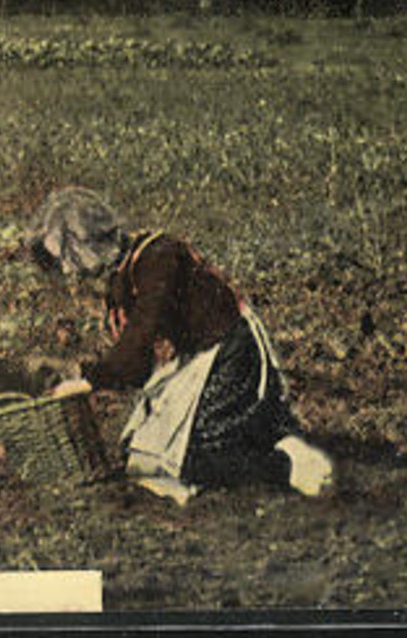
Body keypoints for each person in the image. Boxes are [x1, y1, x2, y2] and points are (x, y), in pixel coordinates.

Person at [24, 186, 333, 500]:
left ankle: (283, 465)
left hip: (228, 349)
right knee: (144, 456)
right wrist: (86, 375)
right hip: (194, 358)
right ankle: (270, 436)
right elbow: (138, 364)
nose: (66, 268)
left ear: (86, 241)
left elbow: (143, 331)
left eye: (67, 255)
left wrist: (90, 380)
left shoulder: (160, 256)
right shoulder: (121, 277)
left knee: (196, 457)